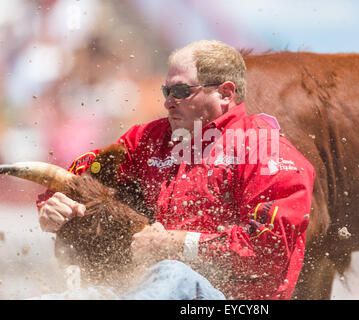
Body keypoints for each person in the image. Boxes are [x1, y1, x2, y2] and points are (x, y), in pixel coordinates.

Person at [36, 40, 315, 300]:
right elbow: (83, 173)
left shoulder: (267, 150)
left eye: (180, 92)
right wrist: (54, 203)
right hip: (153, 288)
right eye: (166, 91)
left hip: (235, 300)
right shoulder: (150, 138)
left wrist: (175, 243)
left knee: (173, 273)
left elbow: (266, 250)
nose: (168, 102)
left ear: (225, 93)